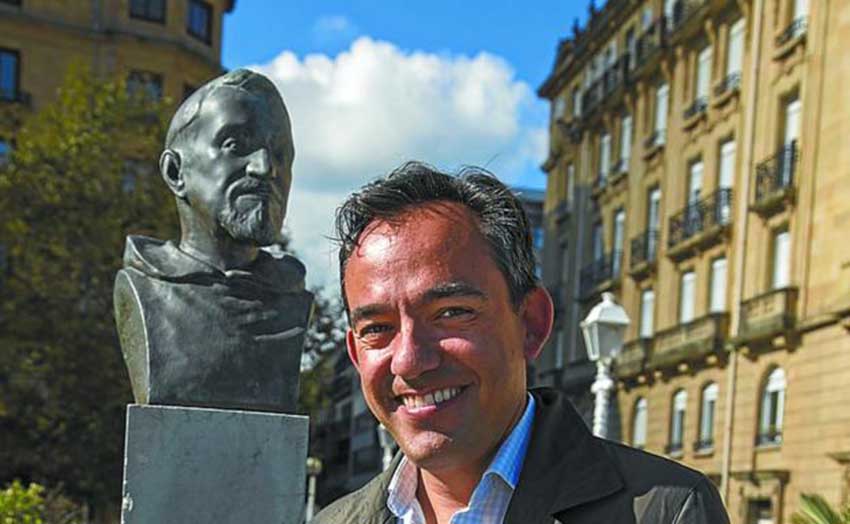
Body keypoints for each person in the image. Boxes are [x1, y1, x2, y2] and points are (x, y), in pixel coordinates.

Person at [314, 162, 730, 523]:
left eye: (451, 313)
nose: (409, 360)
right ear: (355, 353)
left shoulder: (667, 512)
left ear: (531, 322)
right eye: (377, 329)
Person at [113, 69, 312, 413]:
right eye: (236, 145)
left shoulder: (292, 301)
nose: (265, 168)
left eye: (280, 153)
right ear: (176, 173)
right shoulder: (146, 292)